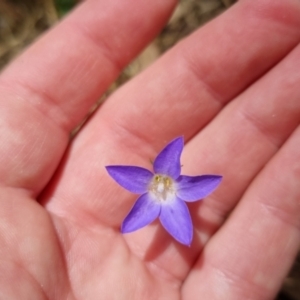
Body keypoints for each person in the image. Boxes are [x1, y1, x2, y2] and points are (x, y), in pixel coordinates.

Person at [0, 0, 299, 298]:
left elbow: (200, 186)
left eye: (163, 181)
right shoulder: (146, 183)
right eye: (161, 181)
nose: (162, 184)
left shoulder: (171, 179)